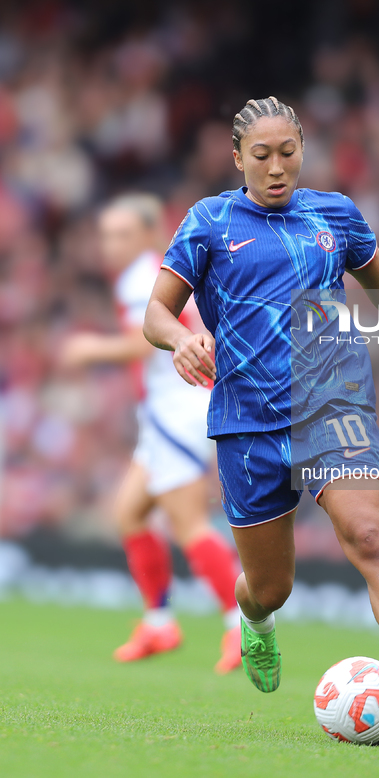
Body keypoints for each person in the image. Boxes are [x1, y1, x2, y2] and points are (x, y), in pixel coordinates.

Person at [143, 98, 379, 743]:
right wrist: (181, 340)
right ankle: (254, 618)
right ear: (237, 160)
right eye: (262, 156)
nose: (277, 168)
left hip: (332, 405)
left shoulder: (336, 216)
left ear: (303, 149)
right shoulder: (208, 223)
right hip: (247, 423)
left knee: (369, 535)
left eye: (288, 152)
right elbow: (156, 314)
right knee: (272, 587)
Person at [60, 194, 241, 674]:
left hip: (179, 408)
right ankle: (159, 621)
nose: (109, 245)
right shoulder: (148, 274)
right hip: (164, 411)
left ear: (147, 233)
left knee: (188, 525)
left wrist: (91, 348)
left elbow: (147, 340)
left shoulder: (145, 275)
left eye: (121, 234)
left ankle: (240, 625)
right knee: (130, 512)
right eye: (105, 234)